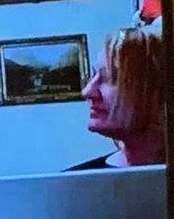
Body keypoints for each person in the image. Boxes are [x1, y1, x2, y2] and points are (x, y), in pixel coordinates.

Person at [68, 27, 166, 170]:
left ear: (156, 88)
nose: (87, 92)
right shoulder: (76, 185)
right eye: (93, 75)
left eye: (110, 78)